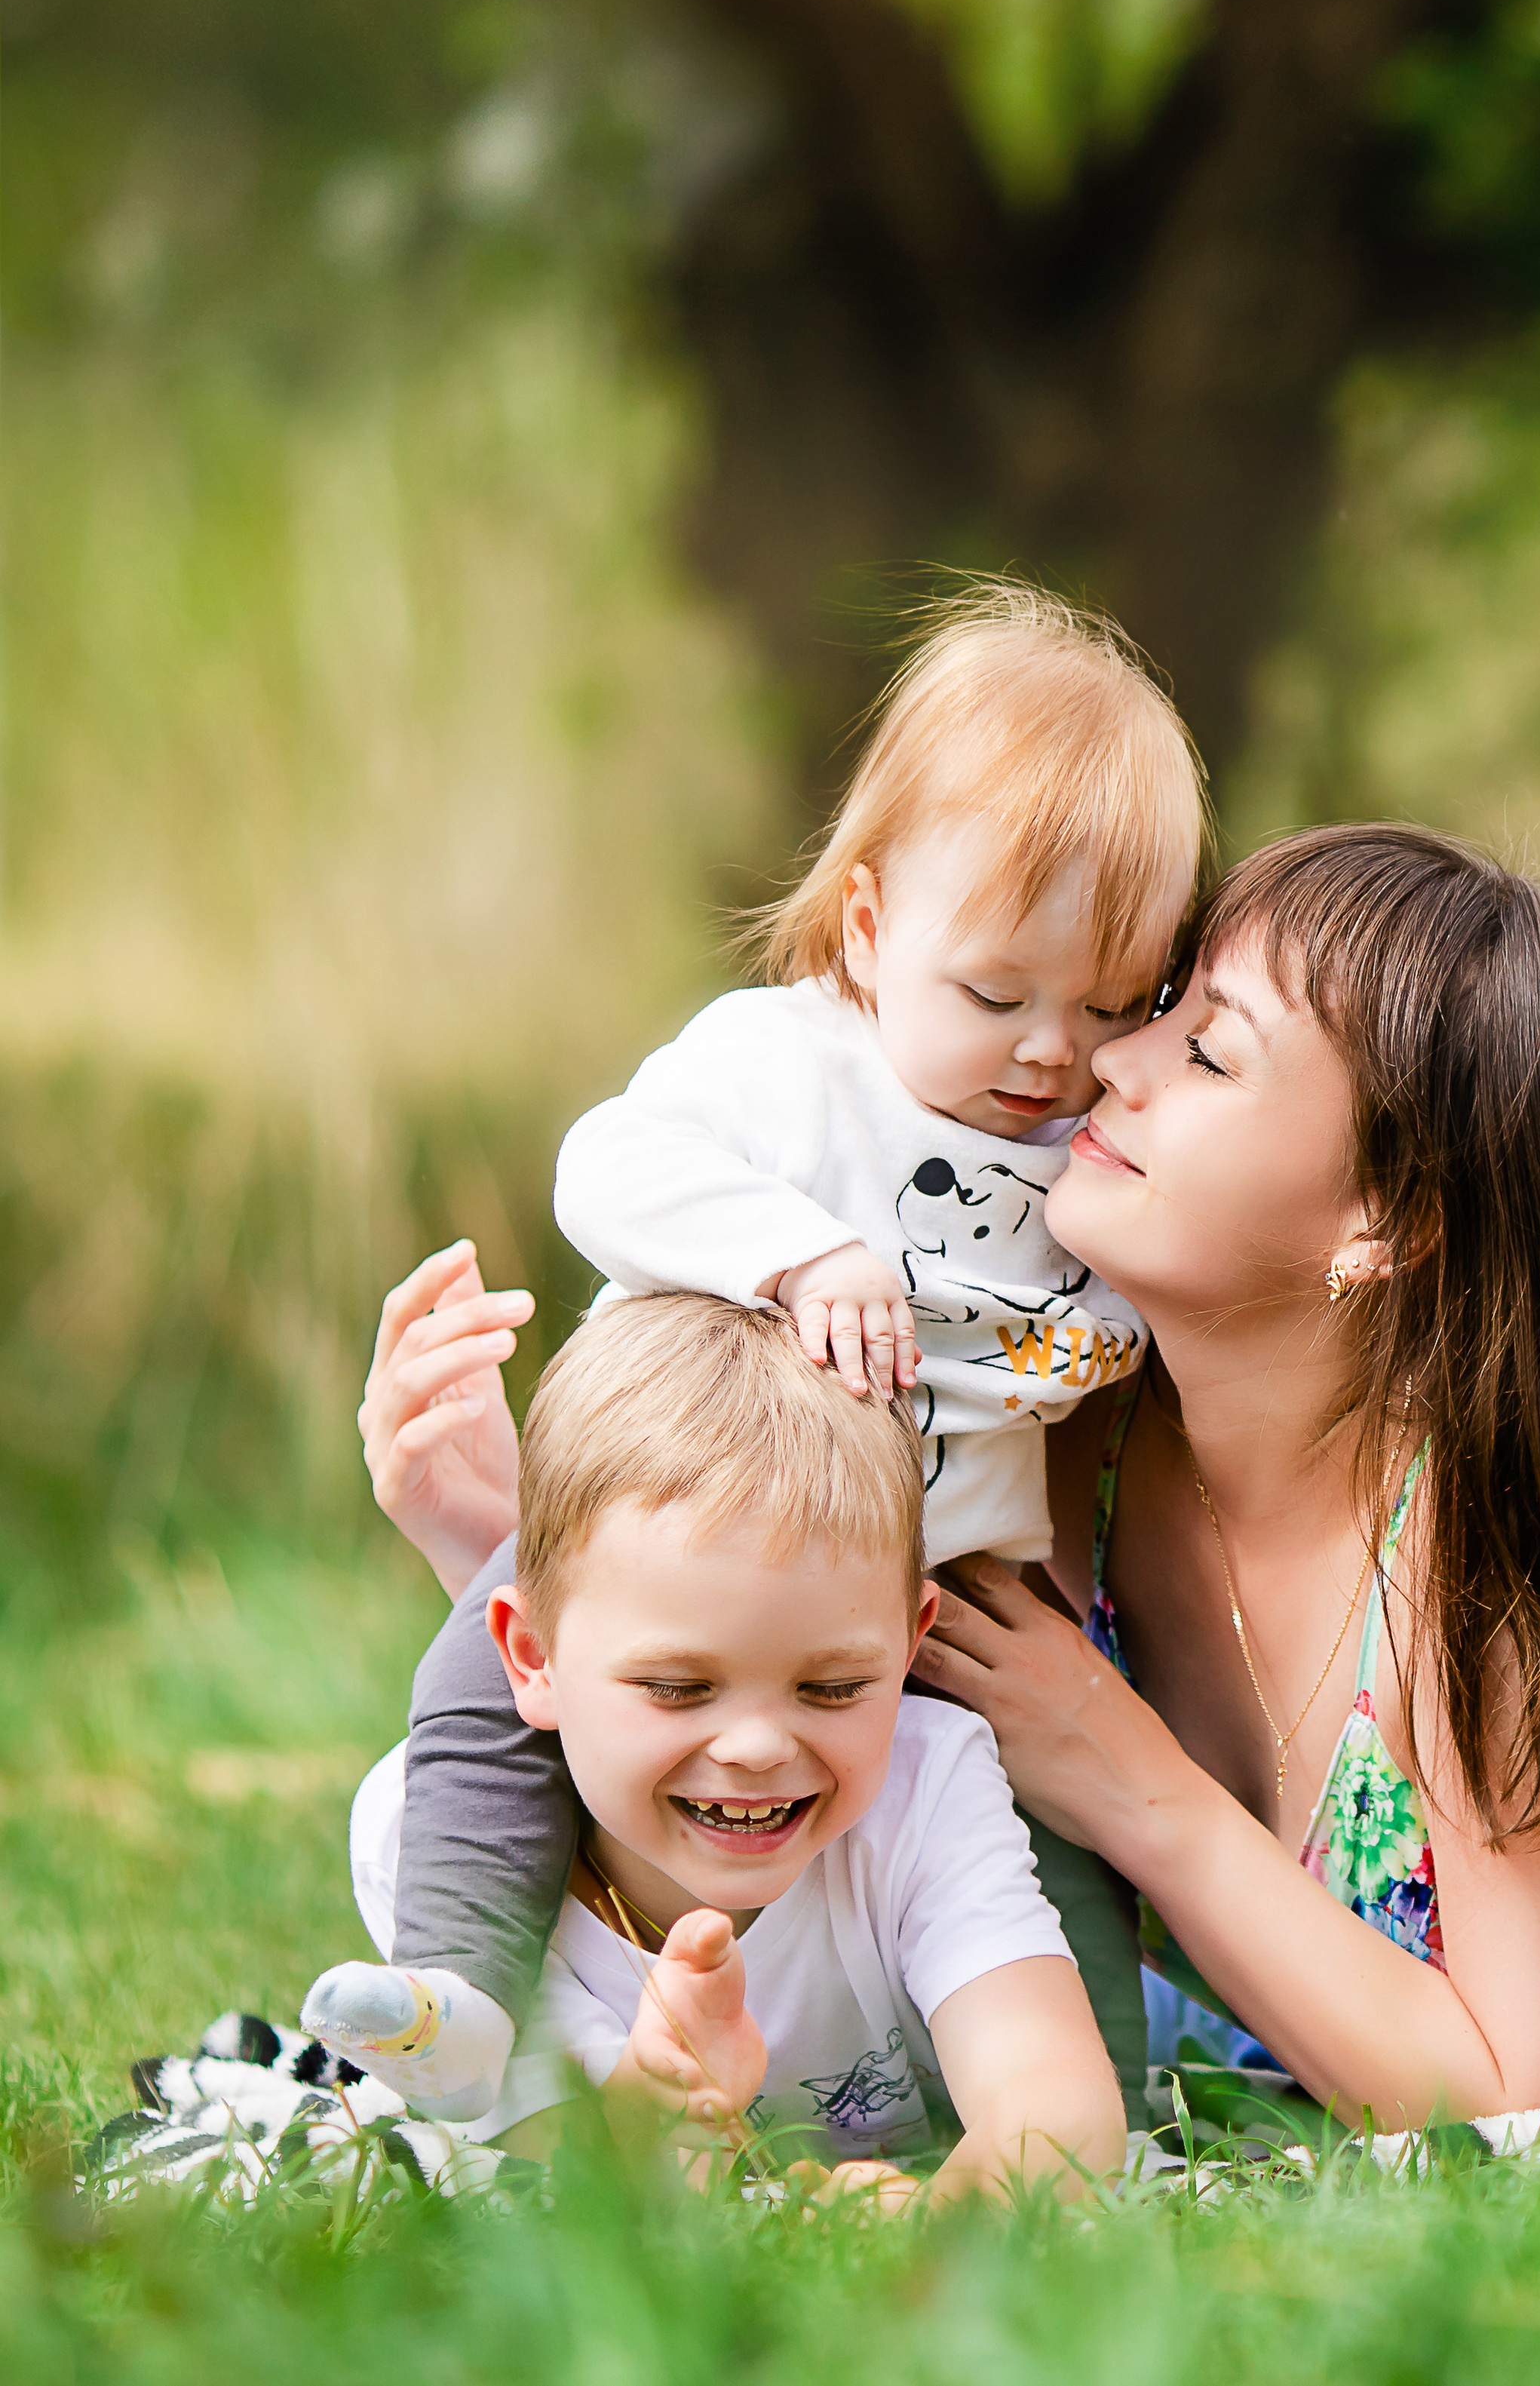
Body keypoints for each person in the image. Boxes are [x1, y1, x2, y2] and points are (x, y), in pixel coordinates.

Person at [307, 585, 1204, 2114]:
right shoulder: (790, 1065)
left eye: (1112, 1002)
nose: (1049, 1049)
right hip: (687, 1510)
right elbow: (602, 1167)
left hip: (935, 1597)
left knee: (1041, 1833)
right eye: (993, 993)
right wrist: (792, 1252)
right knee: (478, 1685)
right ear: (865, 928)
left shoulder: (1088, 1145)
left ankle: (1085, 2104)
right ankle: (462, 1987)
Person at [915, 828, 1540, 2119]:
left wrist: (1126, 1773)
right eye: (1165, 1007)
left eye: (1206, 1047)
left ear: (1385, 1215)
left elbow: (1532, 2104)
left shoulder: (1502, 1567)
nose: (1111, 1058)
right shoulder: (1045, 1421)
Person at [342, 1290, 1124, 2198]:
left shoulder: (928, 1784)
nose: (755, 1746)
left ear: (909, 1641)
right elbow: (556, 2191)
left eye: (833, 1687)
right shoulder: (431, 1842)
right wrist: (665, 2104)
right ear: (530, 1656)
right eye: (677, 1688)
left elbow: (1061, 2113)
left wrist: (927, 2234)